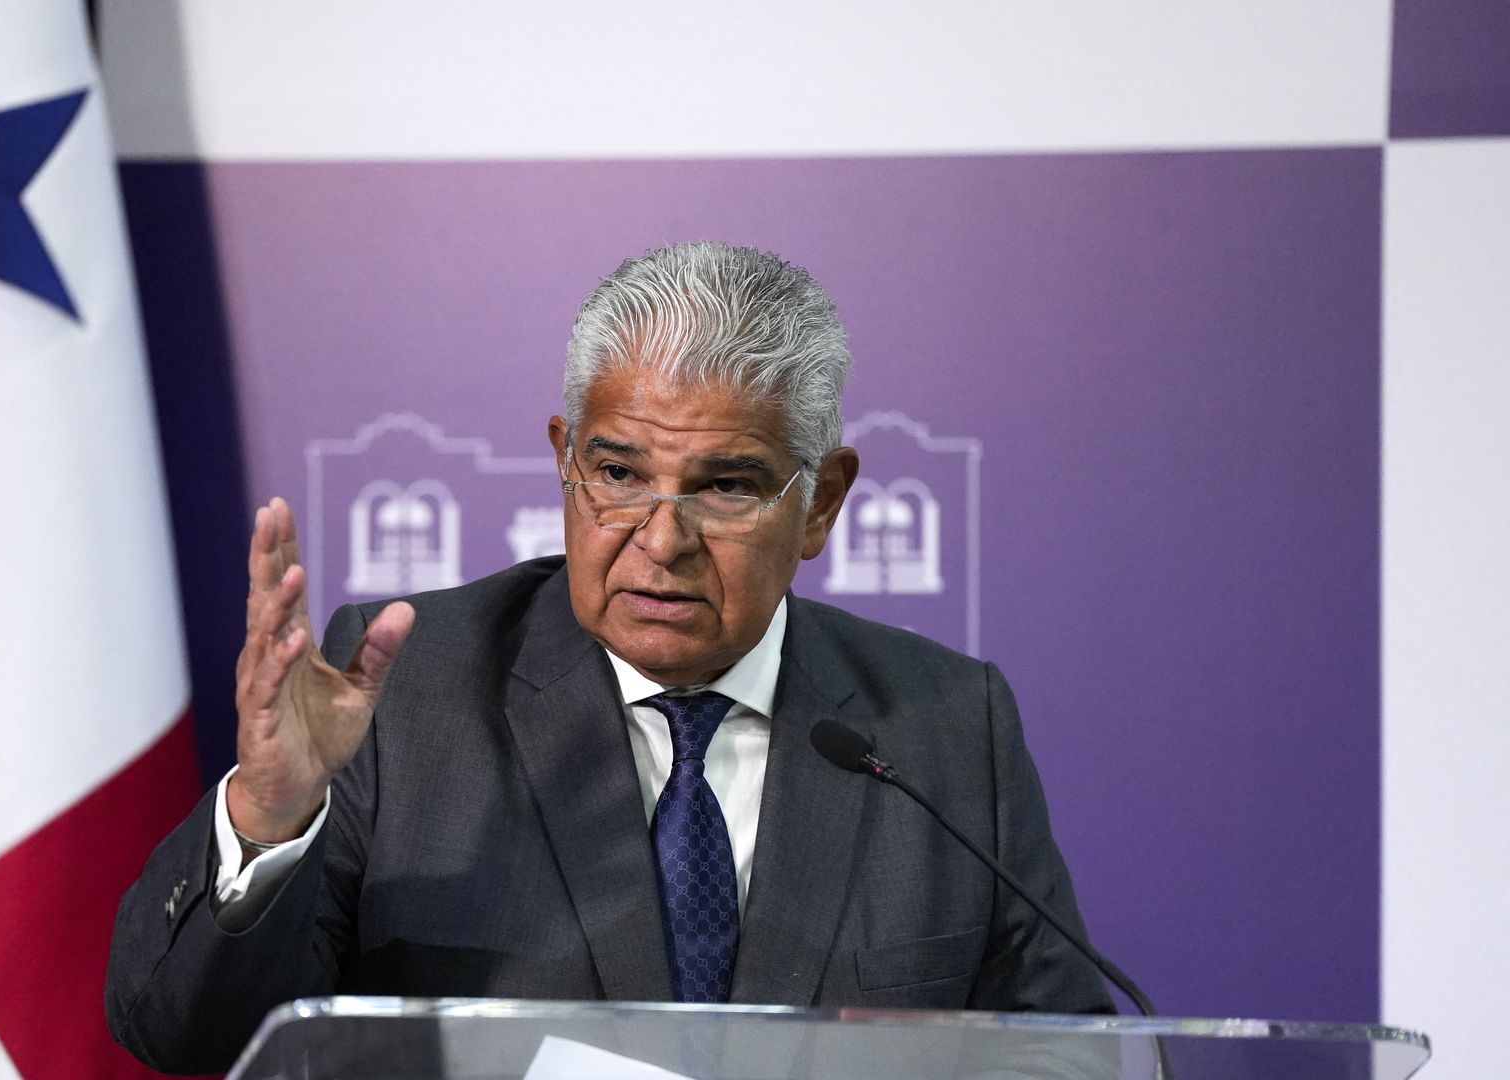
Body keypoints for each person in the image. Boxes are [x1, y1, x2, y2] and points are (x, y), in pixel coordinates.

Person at [105, 242, 1112, 1074]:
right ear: (562, 458)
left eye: (726, 486)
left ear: (824, 503)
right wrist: (268, 814)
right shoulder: (408, 697)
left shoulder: (942, 723)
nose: (661, 539)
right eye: (618, 471)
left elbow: (1072, 1057)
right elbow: (185, 1038)